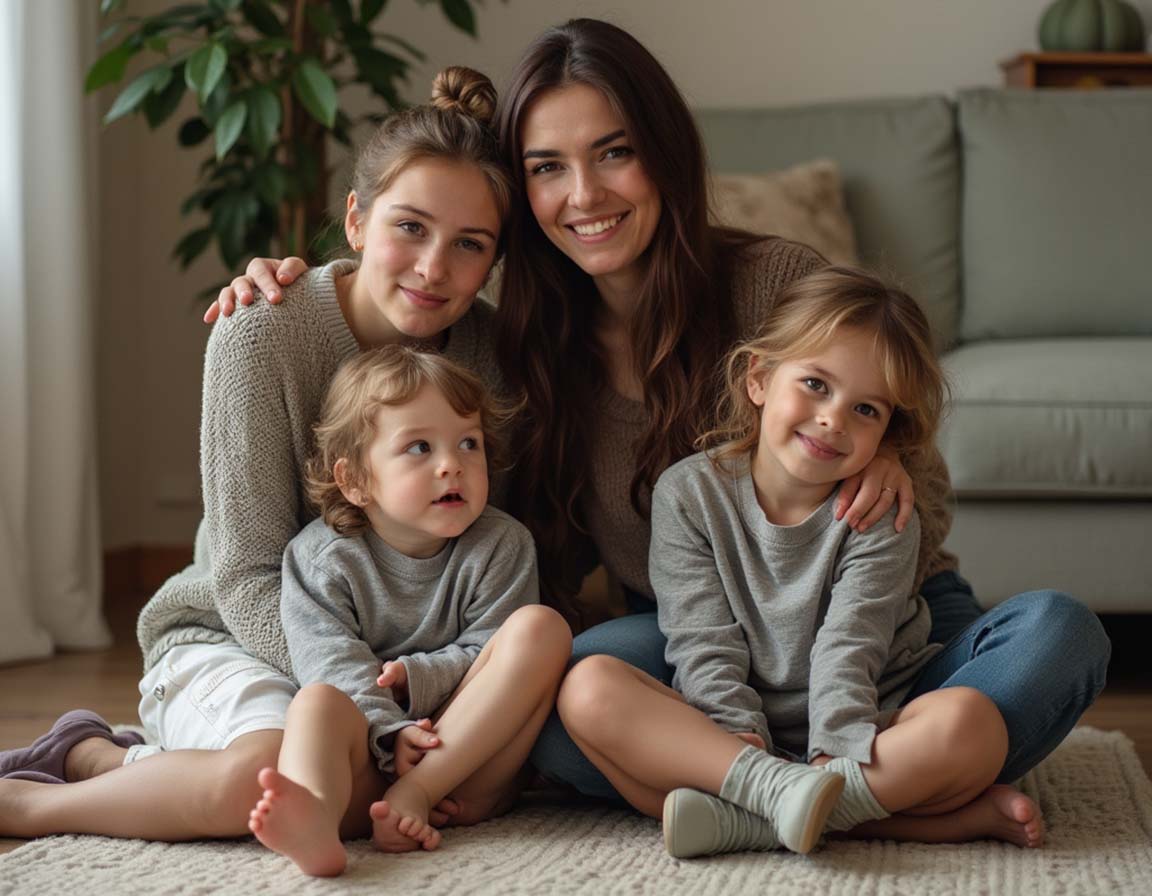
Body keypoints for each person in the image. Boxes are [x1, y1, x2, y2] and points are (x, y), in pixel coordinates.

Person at [206, 18, 1108, 834]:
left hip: (877, 631)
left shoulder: (771, 281)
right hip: (690, 648)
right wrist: (295, 282)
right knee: (561, 703)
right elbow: (500, 541)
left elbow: (889, 417)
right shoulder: (522, 344)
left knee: (1060, 636)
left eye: (615, 153)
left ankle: (777, 802)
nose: (584, 194)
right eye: (548, 168)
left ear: (666, 155)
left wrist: (896, 463)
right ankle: (892, 800)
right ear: (521, 197)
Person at [0, 67, 516, 843]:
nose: (434, 268)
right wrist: (365, 695)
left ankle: (116, 761)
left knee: (425, 791)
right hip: (242, 636)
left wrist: (410, 697)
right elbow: (243, 576)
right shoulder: (262, 334)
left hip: (395, 673)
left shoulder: (490, 352)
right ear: (356, 220)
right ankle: (40, 801)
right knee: (267, 778)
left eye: (469, 245)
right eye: (409, 227)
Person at [558, 267, 1040, 858]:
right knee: (586, 687)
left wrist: (831, 754)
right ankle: (861, 810)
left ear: (889, 430)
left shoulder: (880, 509)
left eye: (866, 410)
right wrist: (737, 741)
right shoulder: (688, 494)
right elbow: (701, 637)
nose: (833, 419)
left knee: (974, 723)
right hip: (729, 734)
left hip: (864, 727)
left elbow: (852, 644)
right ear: (759, 379)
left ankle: (749, 814)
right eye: (815, 384)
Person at [247, 346, 569, 877]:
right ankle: (317, 822)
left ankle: (415, 796)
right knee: (316, 702)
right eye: (419, 447)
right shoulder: (320, 558)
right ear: (354, 481)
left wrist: (415, 682)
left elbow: (493, 654)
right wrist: (390, 731)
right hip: (369, 775)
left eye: (469, 443)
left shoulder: (501, 544)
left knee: (541, 629)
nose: (452, 464)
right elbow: (327, 660)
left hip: (466, 769)